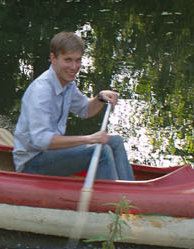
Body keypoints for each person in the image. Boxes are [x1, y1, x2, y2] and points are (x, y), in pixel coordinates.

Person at [13, 31, 131, 180]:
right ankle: (113, 200)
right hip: (32, 163)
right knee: (101, 151)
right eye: (68, 60)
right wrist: (89, 139)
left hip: (50, 155)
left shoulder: (67, 84)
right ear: (53, 58)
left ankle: (130, 194)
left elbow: (85, 110)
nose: (74, 67)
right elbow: (42, 140)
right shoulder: (41, 92)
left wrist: (100, 98)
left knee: (115, 142)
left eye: (78, 60)